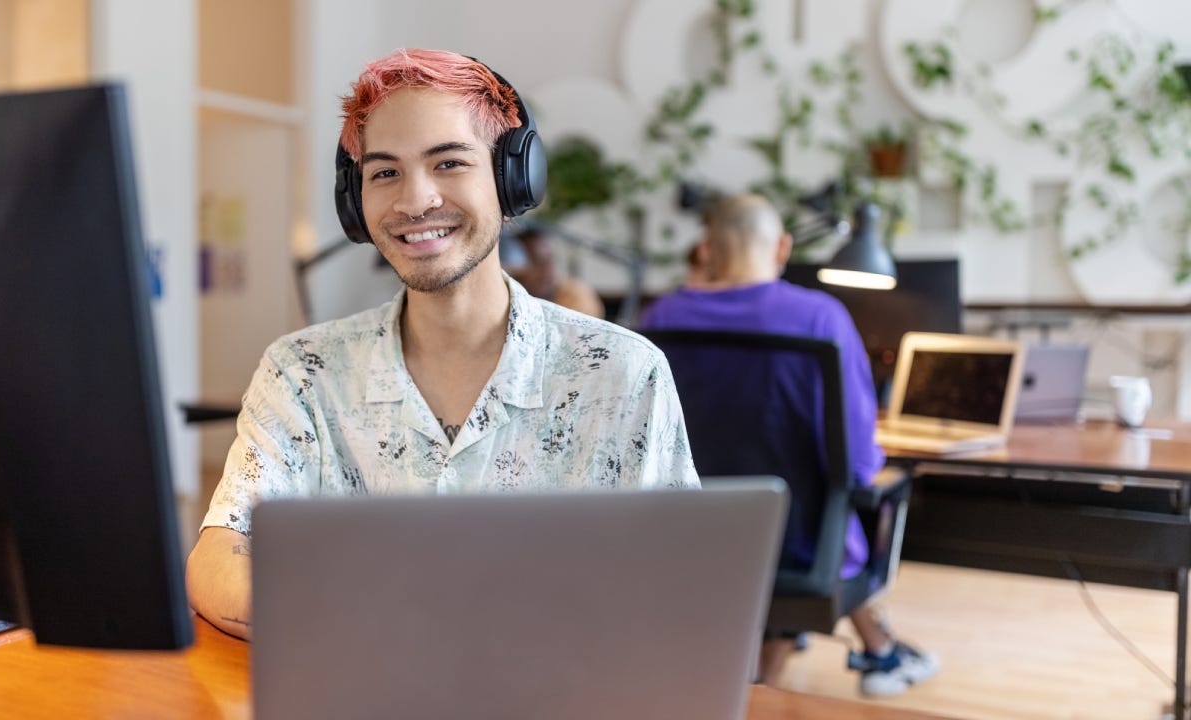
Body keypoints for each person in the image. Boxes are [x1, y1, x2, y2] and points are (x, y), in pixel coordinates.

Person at [186, 49, 699, 641]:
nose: (414, 200)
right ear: (356, 202)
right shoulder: (303, 372)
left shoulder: (623, 374)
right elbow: (218, 557)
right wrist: (360, 622)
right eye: (384, 173)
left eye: (449, 162)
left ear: (512, 180)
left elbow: (675, 593)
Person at [638, 192, 938, 698]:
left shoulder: (660, 320)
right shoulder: (820, 317)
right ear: (782, 247)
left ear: (707, 249)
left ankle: (861, 653)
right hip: (798, 547)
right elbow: (861, 463)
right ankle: (870, 653)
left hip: (688, 542)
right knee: (841, 506)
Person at [505, 227, 606, 318]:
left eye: (549, 260)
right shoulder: (504, 297)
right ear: (513, 265)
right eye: (536, 261)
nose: (547, 269)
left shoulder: (575, 294)